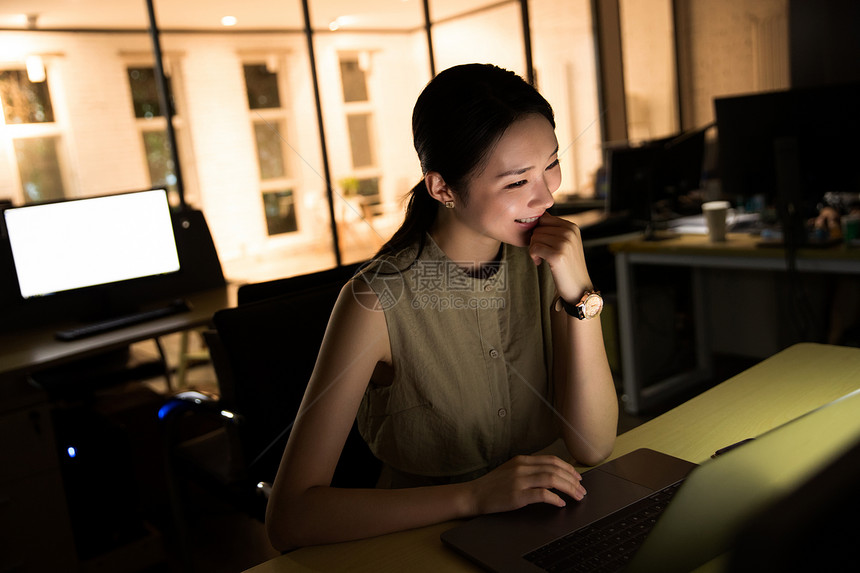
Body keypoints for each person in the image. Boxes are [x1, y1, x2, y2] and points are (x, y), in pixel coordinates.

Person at [265, 63, 618, 551]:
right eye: (517, 182)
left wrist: (580, 291)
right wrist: (473, 498)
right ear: (443, 188)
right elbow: (290, 519)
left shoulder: (550, 263)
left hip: (549, 528)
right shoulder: (376, 300)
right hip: (421, 547)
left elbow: (594, 445)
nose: (546, 195)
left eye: (551, 165)